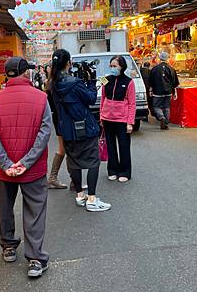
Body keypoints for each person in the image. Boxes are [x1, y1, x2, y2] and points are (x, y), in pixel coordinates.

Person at [0, 56, 52, 278]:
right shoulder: (41, 98)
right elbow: (44, 134)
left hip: (5, 169)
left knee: (5, 206)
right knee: (35, 209)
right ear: (26, 73)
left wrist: (6, 163)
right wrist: (26, 162)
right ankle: (35, 259)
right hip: (32, 169)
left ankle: (8, 246)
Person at [50, 49, 111, 212]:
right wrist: (91, 82)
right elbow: (91, 99)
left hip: (66, 129)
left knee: (74, 163)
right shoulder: (74, 83)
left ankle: (80, 195)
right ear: (68, 63)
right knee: (93, 161)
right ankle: (91, 199)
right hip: (84, 127)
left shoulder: (53, 84)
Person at [100, 56, 136, 182]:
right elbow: (103, 98)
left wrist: (130, 122)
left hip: (122, 120)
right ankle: (112, 170)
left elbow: (132, 103)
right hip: (107, 118)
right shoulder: (105, 80)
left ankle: (125, 172)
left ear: (122, 67)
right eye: (111, 66)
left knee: (124, 146)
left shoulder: (129, 82)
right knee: (110, 146)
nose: (112, 68)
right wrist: (101, 116)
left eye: (115, 66)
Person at [45, 65, 68, 190]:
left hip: (57, 118)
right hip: (63, 118)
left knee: (64, 148)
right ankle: (54, 178)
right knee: (66, 148)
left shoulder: (50, 83)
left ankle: (53, 178)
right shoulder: (61, 82)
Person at [149, 51, 179, 130]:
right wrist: (174, 92)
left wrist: (150, 90)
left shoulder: (154, 69)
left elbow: (151, 81)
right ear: (167, 59)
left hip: (157, 91)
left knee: (156, 106)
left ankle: (162, 118)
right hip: (168, 91)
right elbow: (174, 82)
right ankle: (165, 123)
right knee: (166, 107)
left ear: (160, 58)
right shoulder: (171, 69)